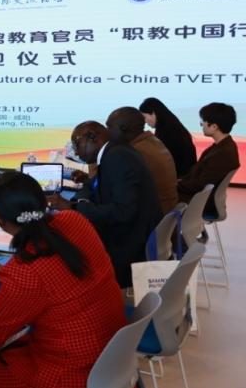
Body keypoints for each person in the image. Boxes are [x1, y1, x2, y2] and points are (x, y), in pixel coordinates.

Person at [0, 172, 138, 388]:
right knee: (12, 347)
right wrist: (2, 271)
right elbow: (60, 281)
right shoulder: (74, 221)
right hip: (115, 381)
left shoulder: (28, 274)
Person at [49, 121, 161, 288]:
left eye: (76, 144)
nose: (76, 152)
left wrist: (73, 207)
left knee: (67, 247)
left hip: (129, 244)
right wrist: (77, 200)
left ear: (92, 137)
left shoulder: (117, 158)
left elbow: (123, 212)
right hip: (138, 231)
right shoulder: (115, 152)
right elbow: (94, 184)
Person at [107, 106, 178, 214]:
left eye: (109, 127)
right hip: (168, 213)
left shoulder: (133, 153)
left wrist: (98, 153)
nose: (107, 132)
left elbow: (106, 190)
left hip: (155, 216)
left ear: (123, 128)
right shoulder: (152, 141)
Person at [177, 102, 240, 216]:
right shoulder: (224, 146)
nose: (201, 125)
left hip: (199, 201)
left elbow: (200, 184)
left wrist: (176, 185)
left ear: (214, 126)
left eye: (203, 122)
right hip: (202, 197)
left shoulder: (222, 153)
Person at [138, 97, 198, 177]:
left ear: (153, 113)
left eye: (144, 117)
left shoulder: (165, 131)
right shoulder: (174, 126)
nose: (145, 122)